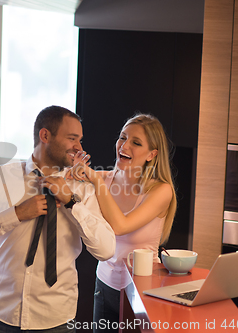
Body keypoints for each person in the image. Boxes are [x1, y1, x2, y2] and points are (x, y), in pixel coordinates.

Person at [0, 105, 116, 333]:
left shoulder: (83, 190)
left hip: (56, 320)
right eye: (72, 138)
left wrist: (72, 203)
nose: (79, 147)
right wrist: (17, 214)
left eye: (80, 140)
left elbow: (107, 250)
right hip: (0, 316)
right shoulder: (1, 178)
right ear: (45, 135)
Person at [71, 113, 177, 333]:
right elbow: (62, 185)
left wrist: (93, 179)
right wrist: (73, 172)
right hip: (104, 284)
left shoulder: (161, 190)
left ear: (152, 154)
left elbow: (120, 226)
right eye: (122, 137)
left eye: (136, 142)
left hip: (142, 289)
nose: (124, 145)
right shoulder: (103, 179)